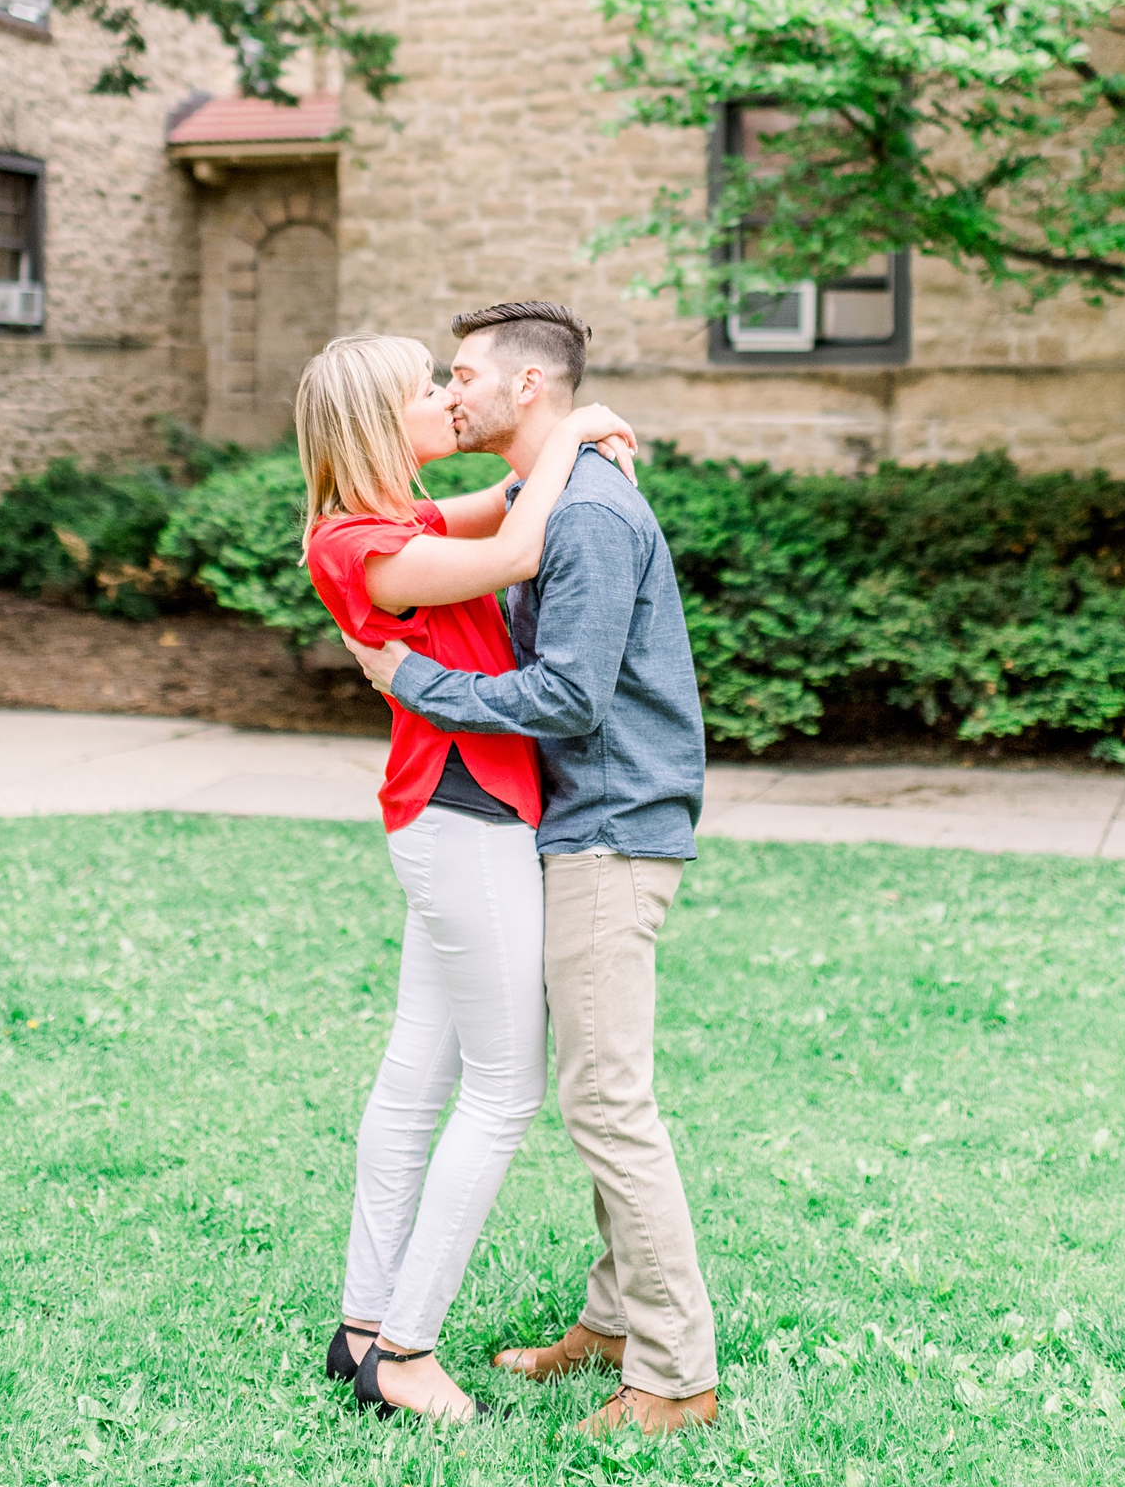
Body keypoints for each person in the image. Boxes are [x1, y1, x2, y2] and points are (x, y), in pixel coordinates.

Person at [342, 300, 718, 1438]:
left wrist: (415, 683)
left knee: (606, 1101)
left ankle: (675, 1376)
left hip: (610, 832)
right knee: (593, 1092)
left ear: (525, 391)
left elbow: (569, 695)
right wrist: (571, 440)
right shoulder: (559, 487)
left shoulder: (592, 514)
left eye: (463, 375)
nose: (452, 394)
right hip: (579, 824)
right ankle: (610, 1324)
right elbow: (500, 526)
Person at [295, 331, 639, 1425]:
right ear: (373, 424)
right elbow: (518, 553)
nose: (447, 397)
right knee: (503, 1093)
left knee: (417, 1075)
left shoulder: (390, 524)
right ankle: (404, 1348)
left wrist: (548, 451)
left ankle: (360, 1325)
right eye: (426, 389)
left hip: (452, 818)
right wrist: (580, 429)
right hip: (465, 813)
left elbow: (497, 503)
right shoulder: (360, 546)